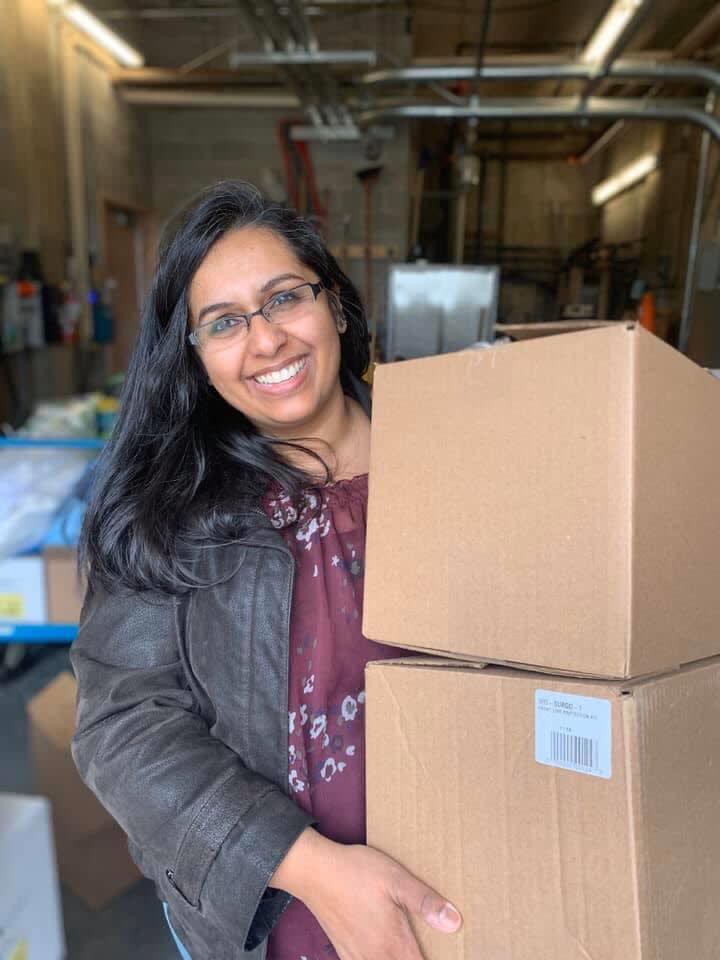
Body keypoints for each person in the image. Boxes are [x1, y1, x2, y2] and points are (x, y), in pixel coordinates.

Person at [71, 180, 463, 960]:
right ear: (195, 358)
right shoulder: (170, 512)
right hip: (286, 918)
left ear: (338, 308)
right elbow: (122, 726)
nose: (266, 340)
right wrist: (317, 873)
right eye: (223, 323)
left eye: (285, 298)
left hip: (476, 892)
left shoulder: (456, 463)